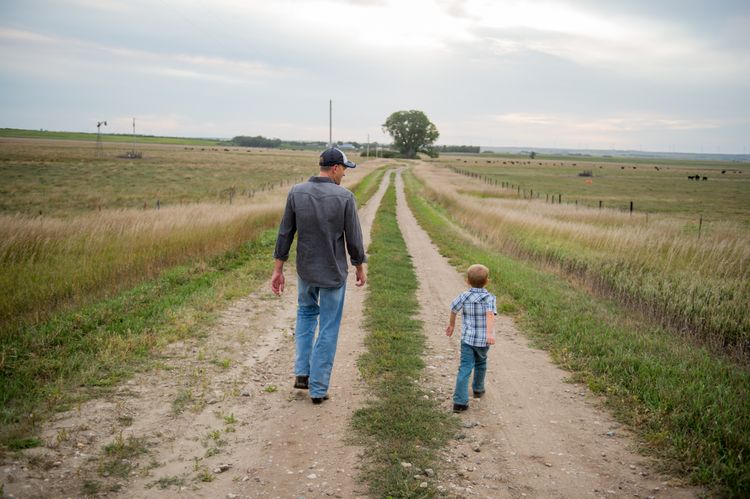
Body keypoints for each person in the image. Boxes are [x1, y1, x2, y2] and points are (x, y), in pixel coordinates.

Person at [271, 147, 367, 404]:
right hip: (333, 274)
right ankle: (318, 387)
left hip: (306, 271)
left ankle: (302, 373)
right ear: (335, 168)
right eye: (344, 169)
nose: (345, 174)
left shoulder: (296, 192)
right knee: (328, 325)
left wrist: (278, 269)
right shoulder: (345, 197)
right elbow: (354, 239)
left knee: (305, 314)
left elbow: (285, 233)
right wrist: (359, 265)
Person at [445, 264, 497, 412]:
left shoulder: (464, 296)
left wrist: (452, 325)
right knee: (481, 363)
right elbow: (490, 315)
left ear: (467, 280)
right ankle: (478, 389)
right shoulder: (489, 298)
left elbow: (454, 309)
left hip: (467, 339)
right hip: (482, 340)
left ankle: (460, 402)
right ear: (487, 281)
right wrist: (489, 334)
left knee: (465, 367)